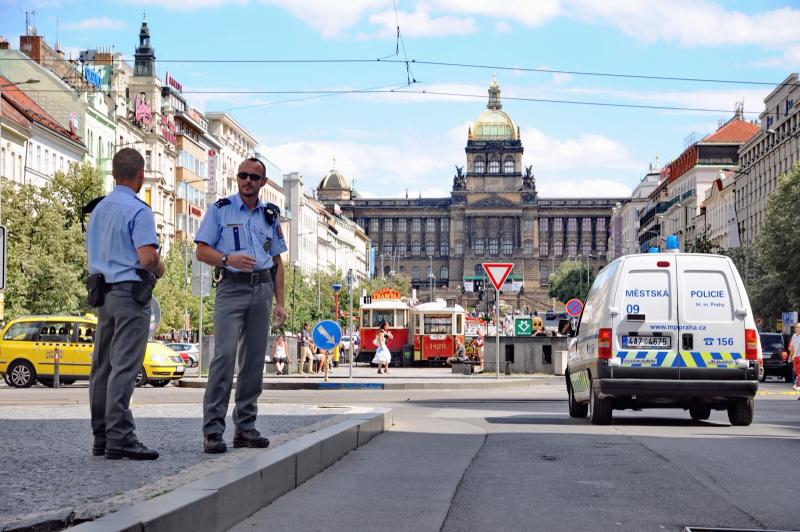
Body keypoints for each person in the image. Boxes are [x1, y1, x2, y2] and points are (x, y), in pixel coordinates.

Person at [195, 157, 287, 454]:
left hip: (261, 289)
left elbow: (278, 263)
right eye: (243, 175)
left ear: (263, 183)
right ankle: (213, 431)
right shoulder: (220, 210)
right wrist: (227, 259)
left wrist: (280, 302)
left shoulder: (270, 216)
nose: (247, 180)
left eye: (253, 177)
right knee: (223, 356)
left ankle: (245, 427)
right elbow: (201, 251)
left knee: (253, 361)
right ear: (237, 179)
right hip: (231, 287)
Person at [86, 148, 165, 461]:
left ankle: (101, 436)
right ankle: (121, 437)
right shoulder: (139, 210)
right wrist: (159, 267)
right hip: (130, 294)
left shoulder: (99, 209)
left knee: (102, 367)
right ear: (140, 175)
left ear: (114, 174)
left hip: (101, 294)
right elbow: (147, 258)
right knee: (125, 366)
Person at [790, 323, 800, 391]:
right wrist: (791, 356)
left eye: (799, 327)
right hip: (795, 357)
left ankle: (798, 385)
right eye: (796, 327)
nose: (797, 328)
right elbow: (793, 347)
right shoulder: (794, 336)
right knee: (796, 371)